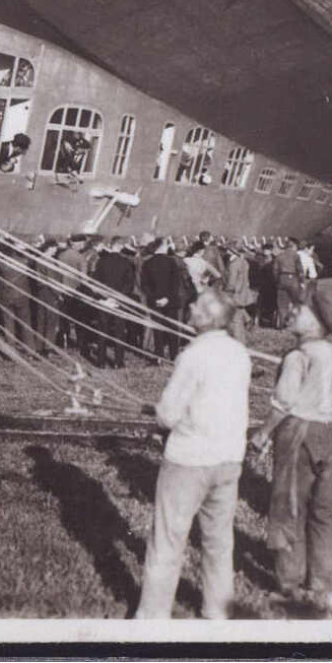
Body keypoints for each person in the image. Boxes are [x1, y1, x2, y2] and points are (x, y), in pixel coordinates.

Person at [135, 289, 251, 620]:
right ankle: (218, 609)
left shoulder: (192, 356)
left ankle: (152, 617)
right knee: (219, 540)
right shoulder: (239, 353)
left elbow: (168, 414)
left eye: (196, 305)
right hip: (229, 456)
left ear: (205, 318)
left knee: (168, 540)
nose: (189, 307)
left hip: (189, 458)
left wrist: (160, 414)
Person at [249, 304, 332, 609]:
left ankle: (289, 582)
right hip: (328, 433)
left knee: (288, 507)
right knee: (324, 510)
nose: (290, 313)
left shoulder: (297, 356)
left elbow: (284, 402)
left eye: (299, 311)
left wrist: (263, 433)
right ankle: (325, 581)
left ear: (316, 321)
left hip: (298, 432)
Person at [92, 236, 139, 367]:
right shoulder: (126, 263)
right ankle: (118, 361)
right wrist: (118, 298)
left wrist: (104, 298)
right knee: (119, 332)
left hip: (104, 301)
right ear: (120, 247)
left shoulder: (101, 261)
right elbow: (129, 284)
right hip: (119, 302)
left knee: (102, 330)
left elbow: (96, 282)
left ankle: (100, 361)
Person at [140, 238, 188, 360]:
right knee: (172, 328)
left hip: (154, 301)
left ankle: (159, 356)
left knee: (158, 329)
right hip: (171, 301)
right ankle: (174, 355)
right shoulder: (172, 262)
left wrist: (155, 298)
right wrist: (167, 298)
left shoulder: (147, 263)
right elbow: (175, 283)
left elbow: (145, 285)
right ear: (161, 247)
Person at [273, 238, 305, 320]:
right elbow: (300, 270)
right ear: (293, 246)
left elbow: (275, 270)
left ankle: (282, 321)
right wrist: (302, 281)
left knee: (282, 302)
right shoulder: (296, 256)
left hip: (282, 279)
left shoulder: (279, 256)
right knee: (296, 300)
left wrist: (277, 281)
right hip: (293, 279)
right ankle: (295, 320)